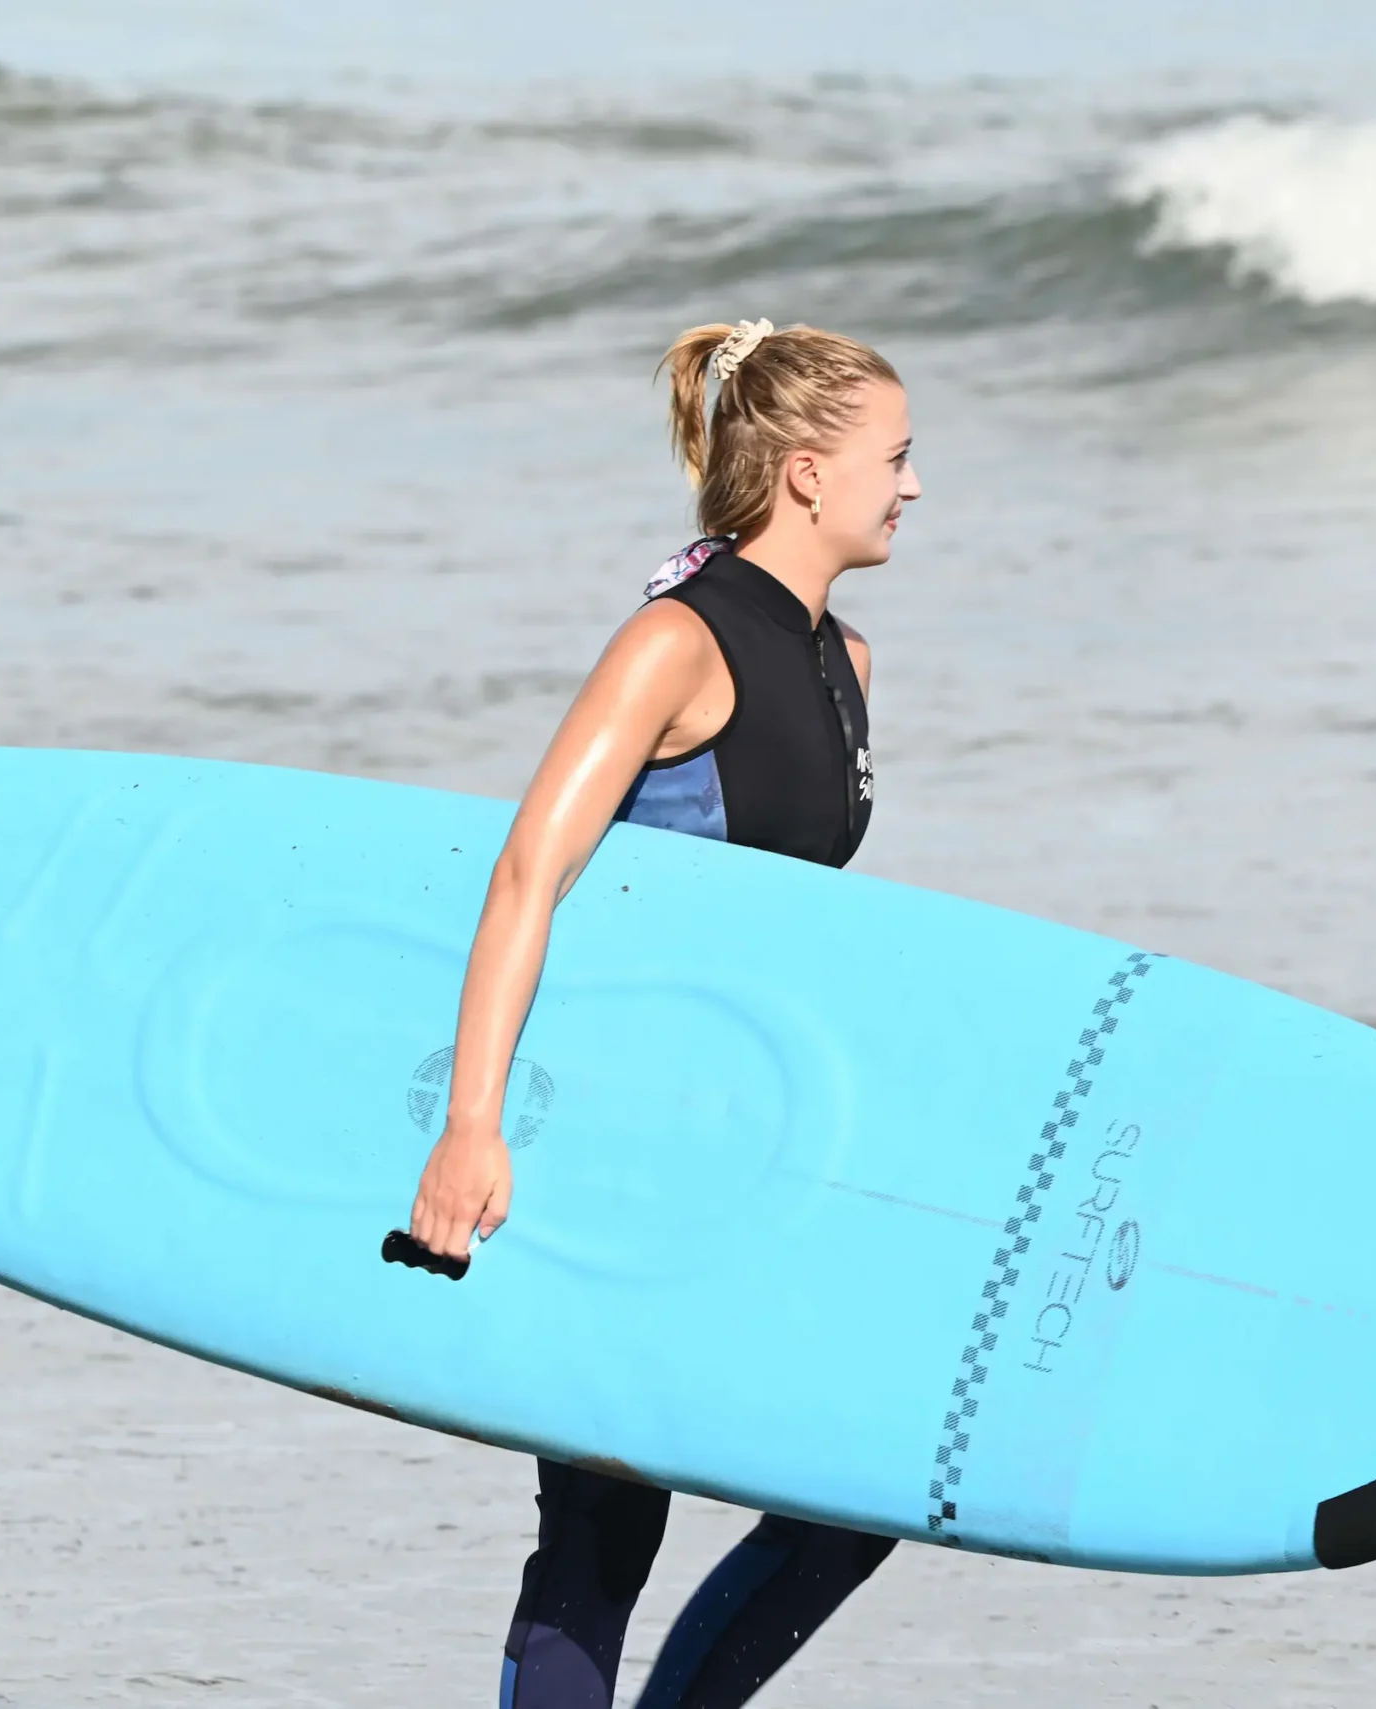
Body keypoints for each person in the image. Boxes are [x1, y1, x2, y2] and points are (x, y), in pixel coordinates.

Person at [404, 318, 921, 1709]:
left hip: (751, 1143)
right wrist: (470, 1127)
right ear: (808, 473)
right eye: (897, 457)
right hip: (613, 1141)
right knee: (603, 1516)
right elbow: (527, 874)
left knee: (859, 1482)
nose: (914, 487)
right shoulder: (673, 645)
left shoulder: (847, 661)